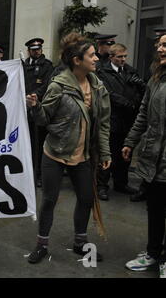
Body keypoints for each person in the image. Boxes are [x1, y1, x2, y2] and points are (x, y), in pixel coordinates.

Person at [25, 32, 111, 264]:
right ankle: (42, 244)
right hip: (54, 154)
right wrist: (35, 107)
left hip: (82, 156)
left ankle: (80, 243)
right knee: (49, 200)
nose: (96, 58)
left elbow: (103, 124)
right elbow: (43, 120)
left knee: (85, 199)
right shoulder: (58, 86)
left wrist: (105, 153)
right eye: (91, 55)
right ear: (77, 60)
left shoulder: (98, 87)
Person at [123, 33, 166, 278]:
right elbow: (143, 114)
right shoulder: (155, 79)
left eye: (165, 45)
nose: (160, 49)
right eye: (158, 45)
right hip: (153, 158)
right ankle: (153, 253)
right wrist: (131, 141)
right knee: (155, 208)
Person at [96, 44, 145, 201]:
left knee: (125, 154)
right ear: (111, 57)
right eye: (119, 57)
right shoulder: (103, 72)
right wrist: (126, 103)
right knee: (107, 152)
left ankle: (121, 183)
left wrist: (135, 100)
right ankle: (102, 185)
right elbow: (108, 94)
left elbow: (140, 93)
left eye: (125, 56)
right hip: (111, 119)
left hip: (128, 120)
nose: (123, 59)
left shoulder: (131, 71)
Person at [24, 38, 54, 187]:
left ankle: (40, 175)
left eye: (38, 49)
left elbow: (48, 85)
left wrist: (35, 97)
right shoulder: (23, 66)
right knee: (28, 143)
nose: (36, 52)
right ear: (29, 51)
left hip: (39, 107)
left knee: (40, 143)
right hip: (25, 108)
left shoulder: (47, 65)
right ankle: (28, 173)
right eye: (33, 49)